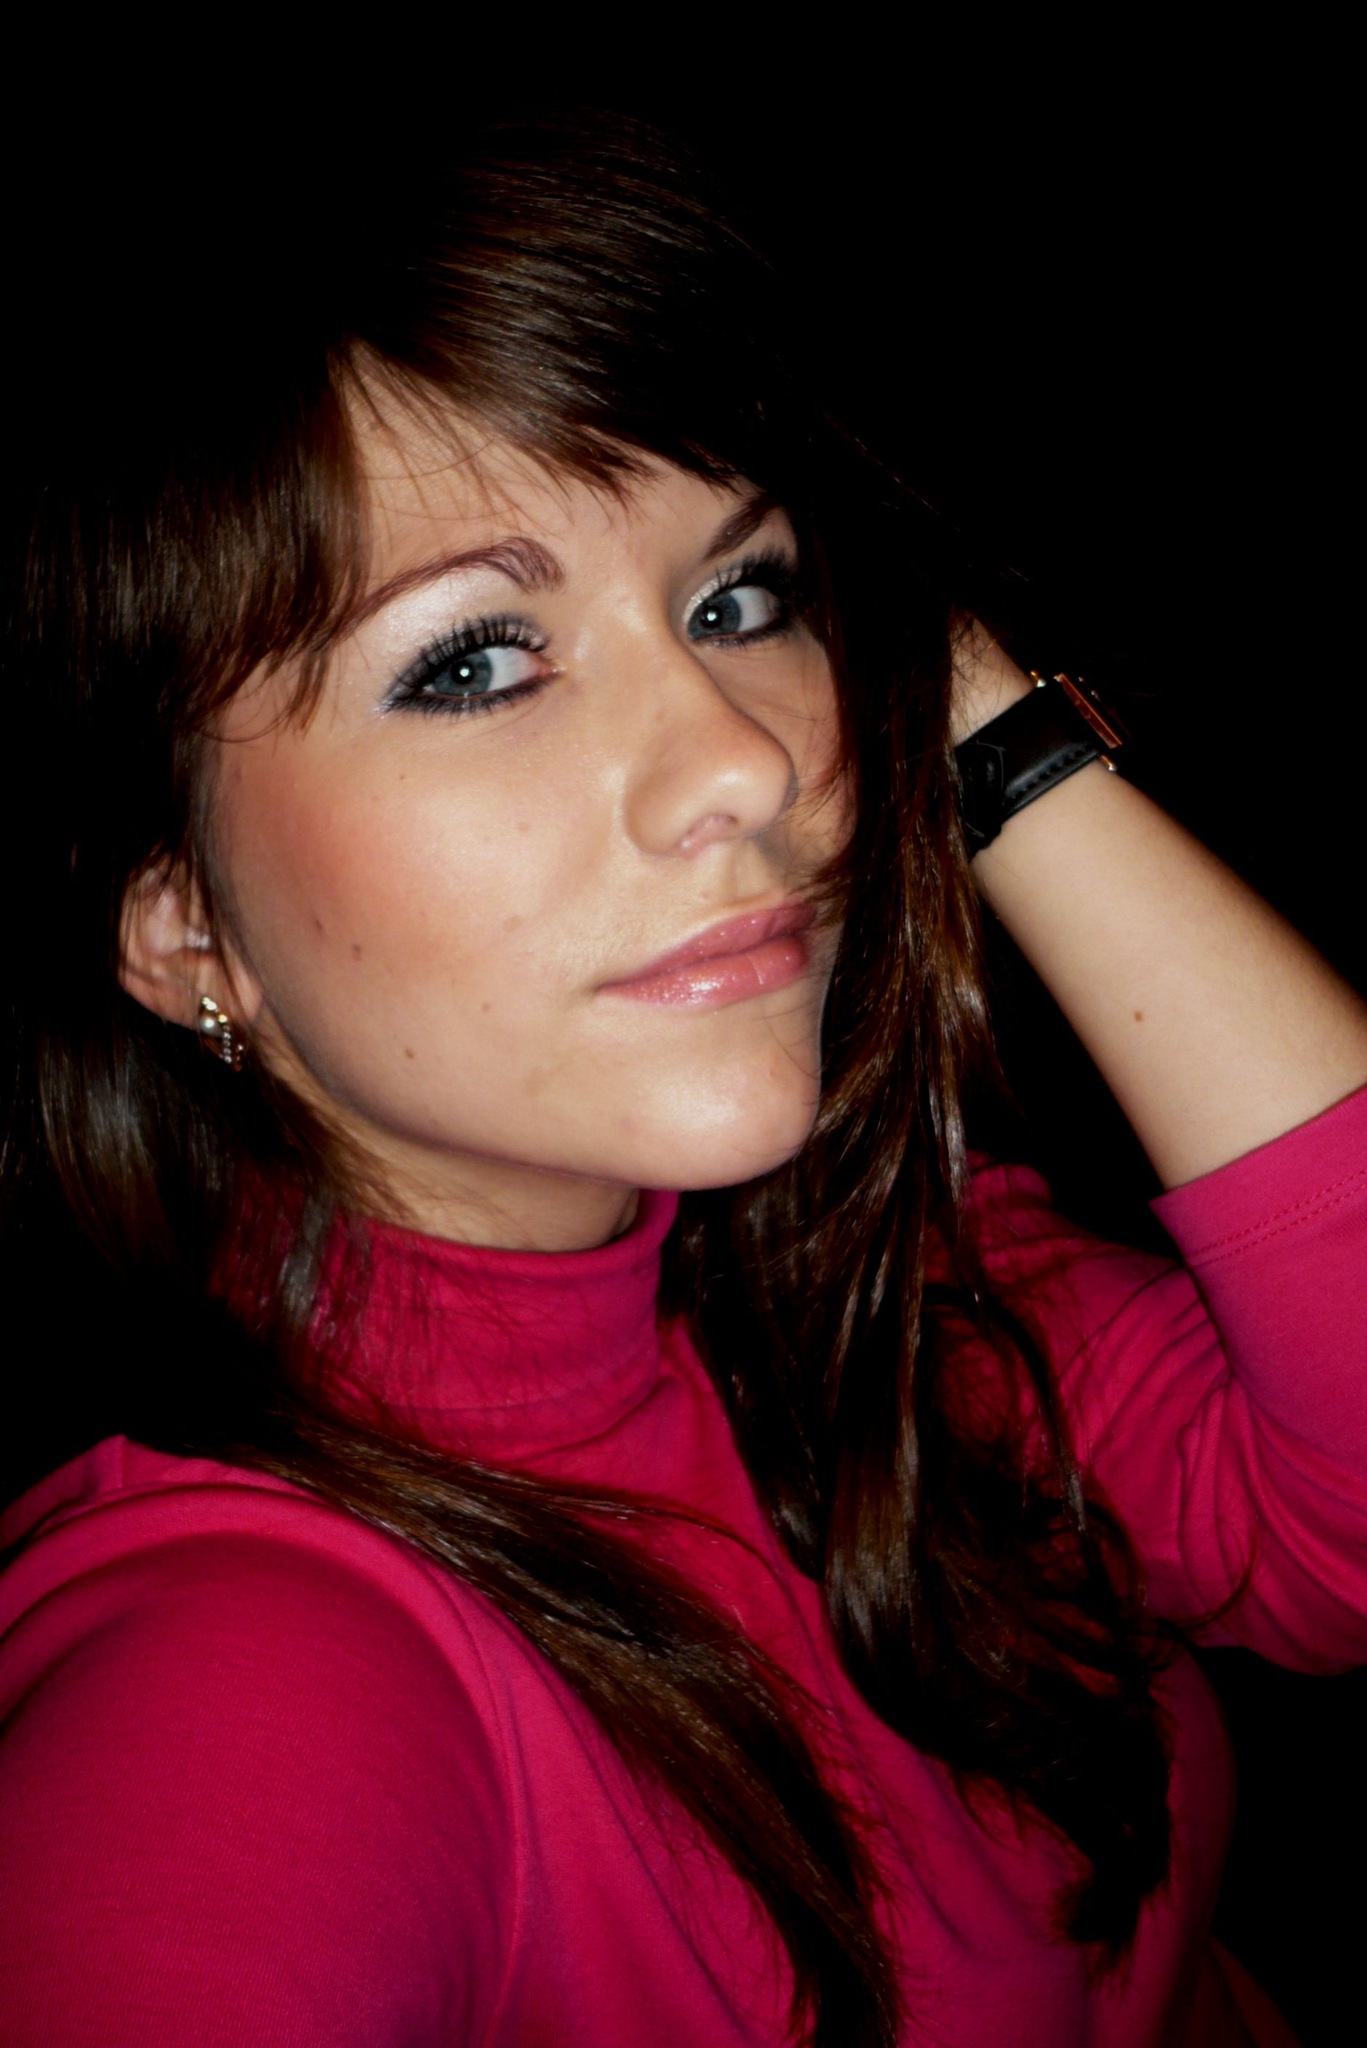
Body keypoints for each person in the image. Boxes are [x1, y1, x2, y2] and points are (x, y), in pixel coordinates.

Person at [1, 114, 1363, 2048]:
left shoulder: (880, 1293)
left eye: (740, 602)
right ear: (178, 919)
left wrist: (981, 721)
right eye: (474, 665)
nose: (743, 758)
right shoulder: (252, 1660)